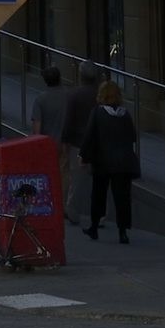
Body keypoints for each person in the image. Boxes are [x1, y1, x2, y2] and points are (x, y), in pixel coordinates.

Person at [81, 79, 140, 244]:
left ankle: (94, 227)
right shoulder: (124, 114)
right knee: (122, 197)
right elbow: (133, 136)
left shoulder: (98, 113)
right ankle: (123, 231)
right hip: (123, 161)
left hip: (103, 161)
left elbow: (89, 136)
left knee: (99, 194)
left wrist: (84, 156)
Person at [58, 63, 102, 226]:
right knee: (98, 181)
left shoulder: (74, 95)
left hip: (78, 142)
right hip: (98, 143)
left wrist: (65, 142)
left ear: (80, 75)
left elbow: (68, 121)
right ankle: (99, 215)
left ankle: (73, 211)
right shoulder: (100, 95)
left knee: (76, 179)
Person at [29, 64, 67, 146]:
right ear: (60, 79)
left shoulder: (40, 99)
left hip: (48, 144)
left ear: (45, 81)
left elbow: (37, 127)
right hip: (66, 144)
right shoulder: (69, 96)